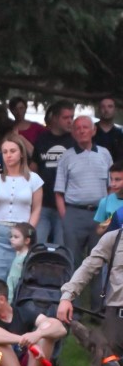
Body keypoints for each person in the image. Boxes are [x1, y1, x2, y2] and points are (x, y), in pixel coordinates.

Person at [54, 115, 113, 310]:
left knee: (100, 261)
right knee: (73, 261)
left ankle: (98, 309)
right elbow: (59, 192)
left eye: (85, 127)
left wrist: (108, 213)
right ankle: (74, 309)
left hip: (100, 214)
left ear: (93, 130)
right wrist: (65, 218)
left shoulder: (104, 154)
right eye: (77, 128)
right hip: (74, 214)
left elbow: (111, 187)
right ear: (73, 132)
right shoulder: (66, 156)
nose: (81, 131)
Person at [0, 133, 43, 283]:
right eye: (5, 152)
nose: (8, 155)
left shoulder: (34, 179)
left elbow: (36, 208)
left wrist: (28, 231)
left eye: (13, 151)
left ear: (21, 153)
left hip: (21, 232)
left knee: (17, 280)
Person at [58, 226, 123, 356]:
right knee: (109, 362)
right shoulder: (114, 238)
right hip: (117, 315)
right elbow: (88, 268)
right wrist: (67, 297)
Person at [31, 101, 75, 246]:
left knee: (61, 248)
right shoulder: (42, 139)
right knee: (37, 246)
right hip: (43, 203)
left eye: (72, 117)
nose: (70, 121)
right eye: (65, 117)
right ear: (55, 118)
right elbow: (34, 168)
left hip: (66, 205)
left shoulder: (74, 140)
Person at [6, 222, 36, 302]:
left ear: (27, 240)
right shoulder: (18, 254)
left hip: (18, 290)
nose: (11, 239)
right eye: (11, 236)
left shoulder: (26, 257)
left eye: (16, 237)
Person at [93, 159, 123, 234]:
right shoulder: (105, 202)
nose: (113, 184)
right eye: (111, 179)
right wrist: (111, 220)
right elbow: (99, 231)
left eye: (117, 180)